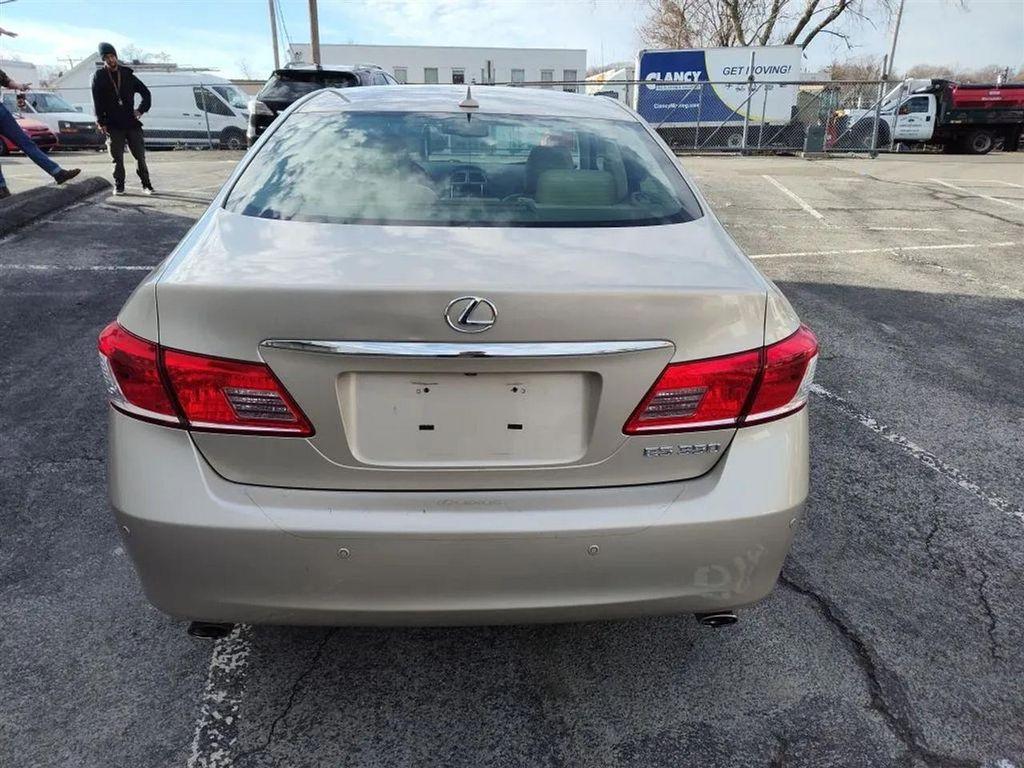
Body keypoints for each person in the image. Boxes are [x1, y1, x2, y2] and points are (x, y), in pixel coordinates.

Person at [0, 68, 81, 200]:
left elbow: (5, 81)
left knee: (26, 143)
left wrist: (20, 86)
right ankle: (1, 188)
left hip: (1, 112)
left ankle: (58, 173)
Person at [91, 42, 153, 196]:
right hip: (113, 124)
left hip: (131, 122)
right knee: (117, 158)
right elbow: (96, 101)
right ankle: (119, 185)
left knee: (140, 156)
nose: (111, 60)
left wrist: (141, 109)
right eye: (107, 57)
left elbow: (146, 93)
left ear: (116, 56)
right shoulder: (99, 76)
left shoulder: (127, 74)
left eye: (112, 56)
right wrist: (101, 121)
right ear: (103, 59)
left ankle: (146, 184)